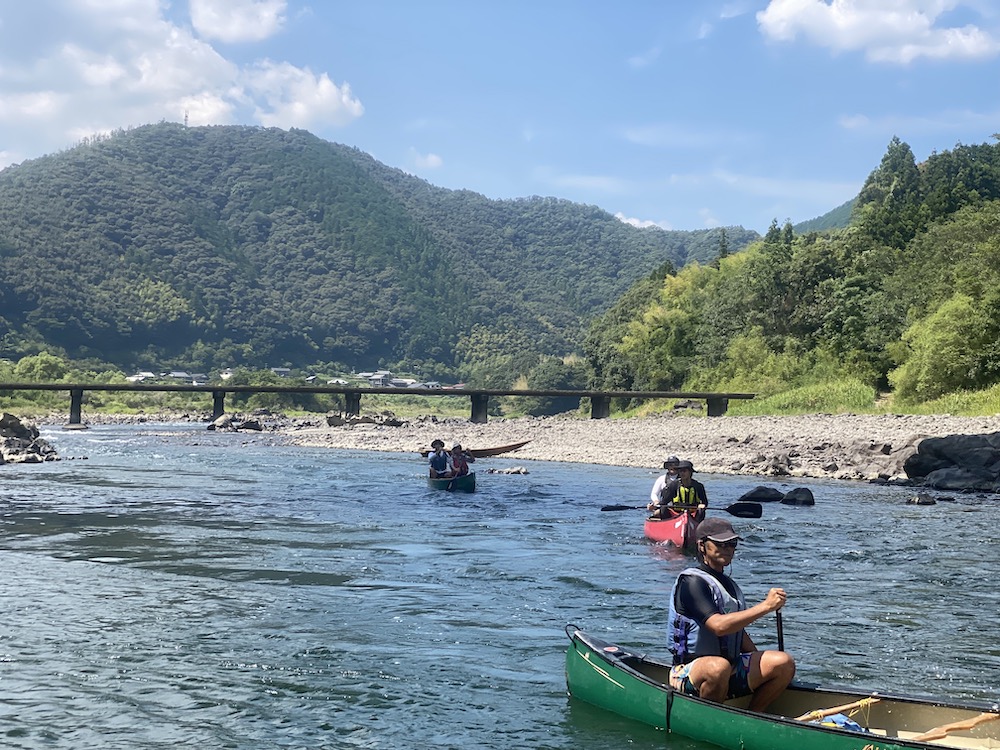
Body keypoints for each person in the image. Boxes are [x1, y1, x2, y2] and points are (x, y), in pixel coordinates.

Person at [666, 517, 795, 712]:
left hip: (730, 669)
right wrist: (766, 606)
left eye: (732, 544)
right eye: (720, 544)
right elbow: (719, 626)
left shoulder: (730, 586)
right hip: (689, 672)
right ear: (702, 546)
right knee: (718, 667)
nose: (727, 549)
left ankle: (753, 716)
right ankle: (707, 717)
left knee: (783, 662)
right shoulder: (691, 582)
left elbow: (737, 633)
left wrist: (761, 664)